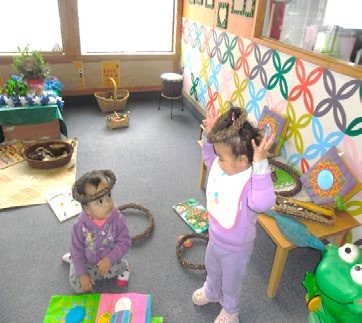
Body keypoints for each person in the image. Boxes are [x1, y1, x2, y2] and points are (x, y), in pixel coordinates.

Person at [192, 107, 276, 323]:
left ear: (242, 161)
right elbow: (209, 156)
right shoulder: (223, 167)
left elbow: (263, 203)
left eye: (222, 157)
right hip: (215, 237)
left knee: (231, 282)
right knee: (212, 268)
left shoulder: (249, 182)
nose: (216, 162)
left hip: (236, 248)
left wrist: (260, 166)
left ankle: (231, 310)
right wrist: (210, 135)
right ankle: (211, 291)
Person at [62, 169, 131, 294]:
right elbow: (77, 248)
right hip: (87, 261)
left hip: (108, 260)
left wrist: (109, 259)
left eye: (108, 195)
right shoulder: (80, 225)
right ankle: (74, 262)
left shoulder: (118, 219)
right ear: (87, 209)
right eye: (100, 201)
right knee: (78, 285)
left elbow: (124, 242)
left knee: (113, 270)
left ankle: (125, 267)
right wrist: (82, 274)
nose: (108, 203)